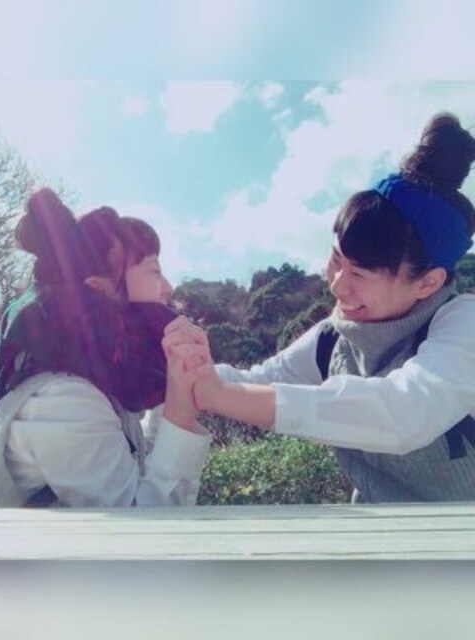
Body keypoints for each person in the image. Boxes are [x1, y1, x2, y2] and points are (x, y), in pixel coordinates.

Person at [165, 112, 475, 503]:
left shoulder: (463, 322)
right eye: (336, 259)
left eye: (360, 273)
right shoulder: (332, 339)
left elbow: (405, 414)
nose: (337, 284)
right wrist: (185, 366)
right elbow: (260, 380)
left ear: (428, 282)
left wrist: (219, 395)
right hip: (380, 535)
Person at [0, 188, 210, 508]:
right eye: (154, 271)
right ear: (98, 289)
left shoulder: (97, 376)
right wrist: (180, 416)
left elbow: (135, 466)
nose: (168, 289)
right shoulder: (64, 400)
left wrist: (173, 396)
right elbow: (141, 523)